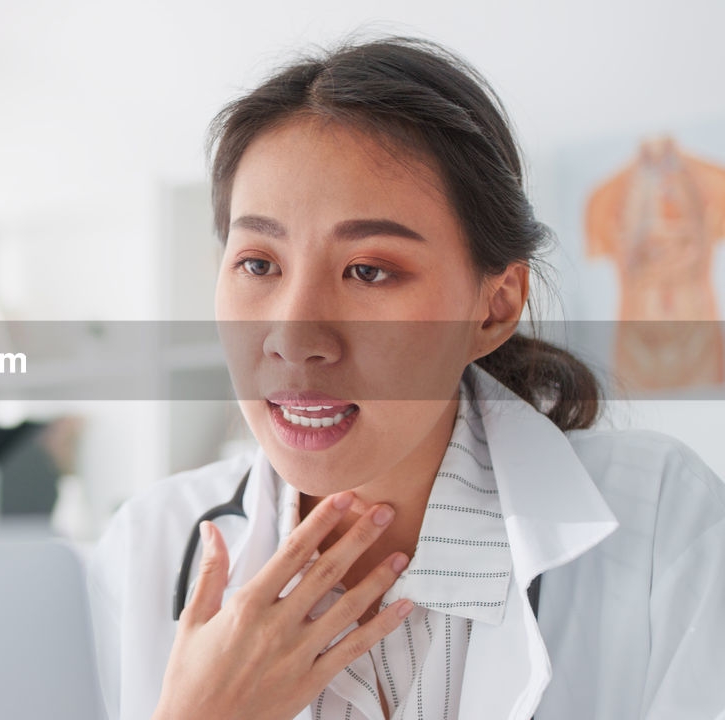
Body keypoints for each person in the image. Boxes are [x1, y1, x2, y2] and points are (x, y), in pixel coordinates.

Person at [85, 35, 725, 720]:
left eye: (369, 271)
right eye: (259, 264)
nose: (296, 340)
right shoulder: (144, 546)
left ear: (495, 304)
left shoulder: (662, 520)